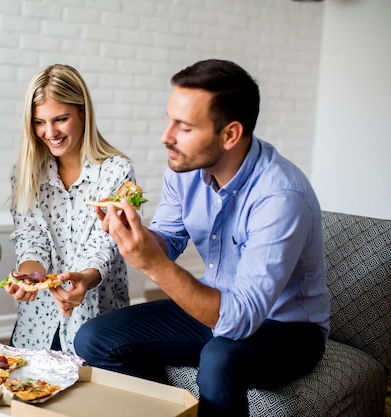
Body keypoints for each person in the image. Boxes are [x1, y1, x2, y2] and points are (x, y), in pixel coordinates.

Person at [73, 59, 330, 417]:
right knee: (92, 338)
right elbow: (167, 237)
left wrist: (153, 263)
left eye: (184, 127)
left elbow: (239, 321)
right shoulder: (184, 169)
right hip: (217, 303)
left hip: (288, 329)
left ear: (230, 135)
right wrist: (134, 234)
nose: (166, 136)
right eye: (169, 120)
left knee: (220, 357)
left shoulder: (281, 198)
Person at [4, 64, 134, 353]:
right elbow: (31, 238)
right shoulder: (25, 174)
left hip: (97, 322)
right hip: (37, 323)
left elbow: (107, 245)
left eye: (60, 119)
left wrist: (84, 279)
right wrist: (28, 275)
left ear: (82, 113)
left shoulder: (116, 172)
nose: (50, 132)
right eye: (39, 122)